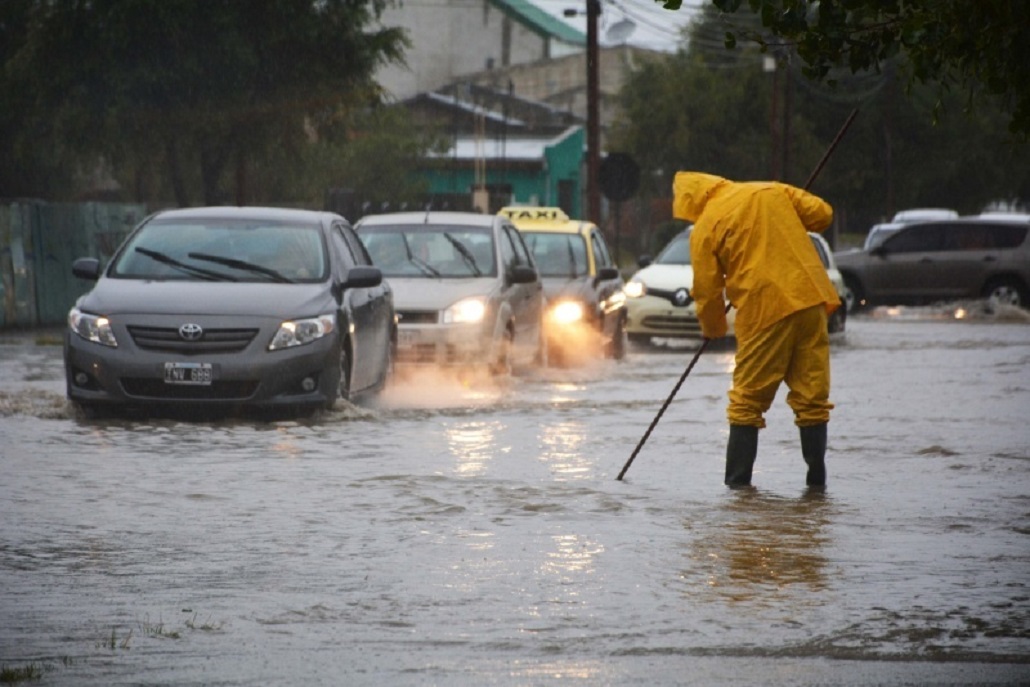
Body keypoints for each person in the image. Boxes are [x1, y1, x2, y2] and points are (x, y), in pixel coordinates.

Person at [672, 172, 842, 488]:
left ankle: (737, 491)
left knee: (746, 402)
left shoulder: (706, 225)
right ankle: (817, 485)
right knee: (812, 395)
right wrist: (789, 213)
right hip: (811, 301)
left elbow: (707, 290)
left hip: (766, 309)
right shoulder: (772, 190)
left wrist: (712, 329)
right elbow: (823, 215)